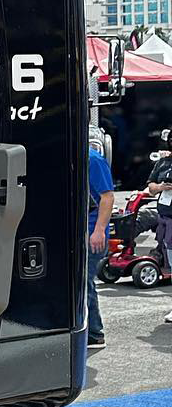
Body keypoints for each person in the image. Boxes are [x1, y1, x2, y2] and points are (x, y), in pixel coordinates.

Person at [88, 139, 115, 350]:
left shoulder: (93, 160)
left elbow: (107, 197)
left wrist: (98, 231)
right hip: (82, 231)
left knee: (83, 282)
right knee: (81, 282)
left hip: (91, 233)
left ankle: (95, 334)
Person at [147, 143, 172, 325]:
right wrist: (161, 187)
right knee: (170, 263)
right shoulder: (163, 162)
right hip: (164, 217)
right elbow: (151, 186)